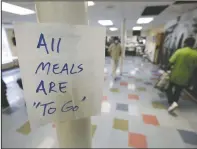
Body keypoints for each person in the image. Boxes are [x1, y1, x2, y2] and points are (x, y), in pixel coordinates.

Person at [167, 37, 197, 112]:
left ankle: (171, 101)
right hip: (186, 77)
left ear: (185, 43)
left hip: (175, 75)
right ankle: (174, 102)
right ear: (193, 44)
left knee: (168, 88)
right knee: (178, 90)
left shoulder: (180, 51)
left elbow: (171, 62)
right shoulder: (195, 54)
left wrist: (167, 69)